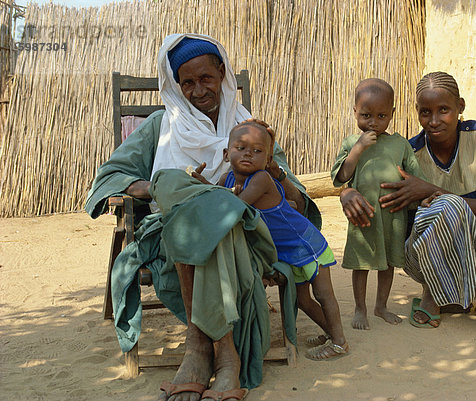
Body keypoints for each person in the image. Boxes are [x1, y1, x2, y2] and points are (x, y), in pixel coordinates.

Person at [85, 34, 321, 401]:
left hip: (241, 232)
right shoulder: (162, 125)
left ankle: (199, 347)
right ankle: (226, 357)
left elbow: (292, 193)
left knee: (216, 216)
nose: (197, 91)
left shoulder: (247, 128)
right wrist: (159, 187)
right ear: (177, 85)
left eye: (206, 79)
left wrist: (271, 166)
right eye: (187, 82)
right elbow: (111, 176)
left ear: (222, 74)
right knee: (187, 199)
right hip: (178, 228)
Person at [339, 71, 476, 331]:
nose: (434, 120)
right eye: (425, 112)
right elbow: (372, 186)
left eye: (444, 110)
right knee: (445, 205)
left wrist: (430, 189)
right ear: (416, 112)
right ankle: (434, 291)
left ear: (460, 107)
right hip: (427, 257)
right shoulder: (409, 151)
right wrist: (345, 192)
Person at [218, 120, 349, 360]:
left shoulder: (261, 180)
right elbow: (217, 195)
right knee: (304, 300)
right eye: (241, 147)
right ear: (226, 154)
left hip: (307, 245)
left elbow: (235, 207)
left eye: (257, 151)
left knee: (323, 295)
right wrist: (201, 183)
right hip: (290, 252)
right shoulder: (227, 179)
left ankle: (340, 342)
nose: (248, 153)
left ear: (268, 161)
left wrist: (210, 195)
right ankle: (330, 332)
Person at [330, 78, 424, 330]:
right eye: (366, 115)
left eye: (382, 115)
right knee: (361, 265)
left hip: (393, 215)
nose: (373, 122)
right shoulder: (351, 143)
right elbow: (341, 177)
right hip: (363, 215)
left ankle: (381, 306)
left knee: (388, 264)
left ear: (392, 113)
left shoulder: (401, 144)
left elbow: (416, 178)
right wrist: (358, 148)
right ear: (354, 112)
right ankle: (360, 308)